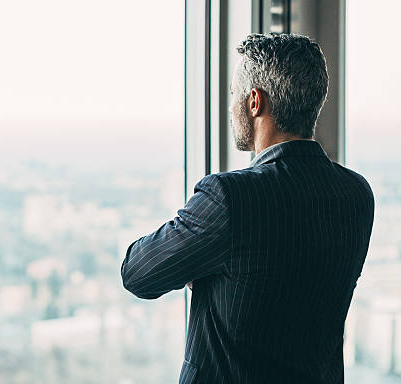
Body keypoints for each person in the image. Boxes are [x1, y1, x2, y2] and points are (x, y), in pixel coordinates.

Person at [120, 33, 374, 383]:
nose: (230, 106)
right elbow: (290, 286)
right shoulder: (356, 195)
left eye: (233, 95)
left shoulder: (230, 198)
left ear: (255, 101)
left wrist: (206, 268)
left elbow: (137, 273)